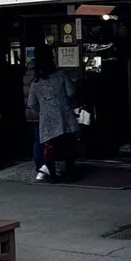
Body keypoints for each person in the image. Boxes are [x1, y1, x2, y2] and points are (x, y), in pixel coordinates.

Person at [27, 43, 80, 180]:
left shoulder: (36, 83)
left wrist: (44, 111)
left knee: (49, 149)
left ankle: (50, 174)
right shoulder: (61, 75)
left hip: (47, 122)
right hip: (65, 118)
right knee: (69, 147)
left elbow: (31, 104)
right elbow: (71, 92)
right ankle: (71, 174)